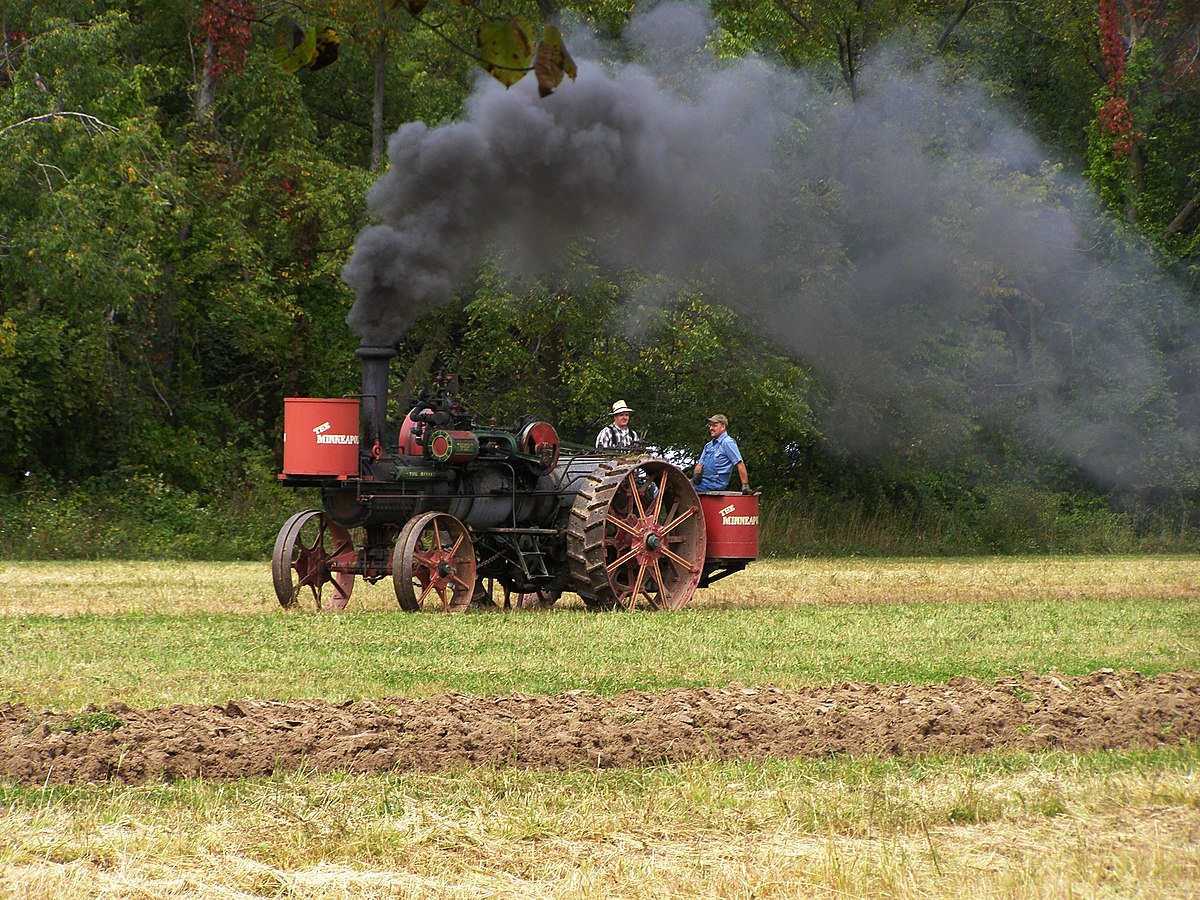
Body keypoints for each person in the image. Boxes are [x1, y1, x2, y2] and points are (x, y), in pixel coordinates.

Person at [691, 414, 752, 493]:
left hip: (714, 484)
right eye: (710, 426)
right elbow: (700, 464)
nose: (711, 428)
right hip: (703, 482)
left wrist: (745, 485)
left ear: (723, 427)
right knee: (677, 484)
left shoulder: (727, 442)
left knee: (681, 489)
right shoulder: (709, 445)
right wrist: (697, 474)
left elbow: (739, 463)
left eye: (714, 426)